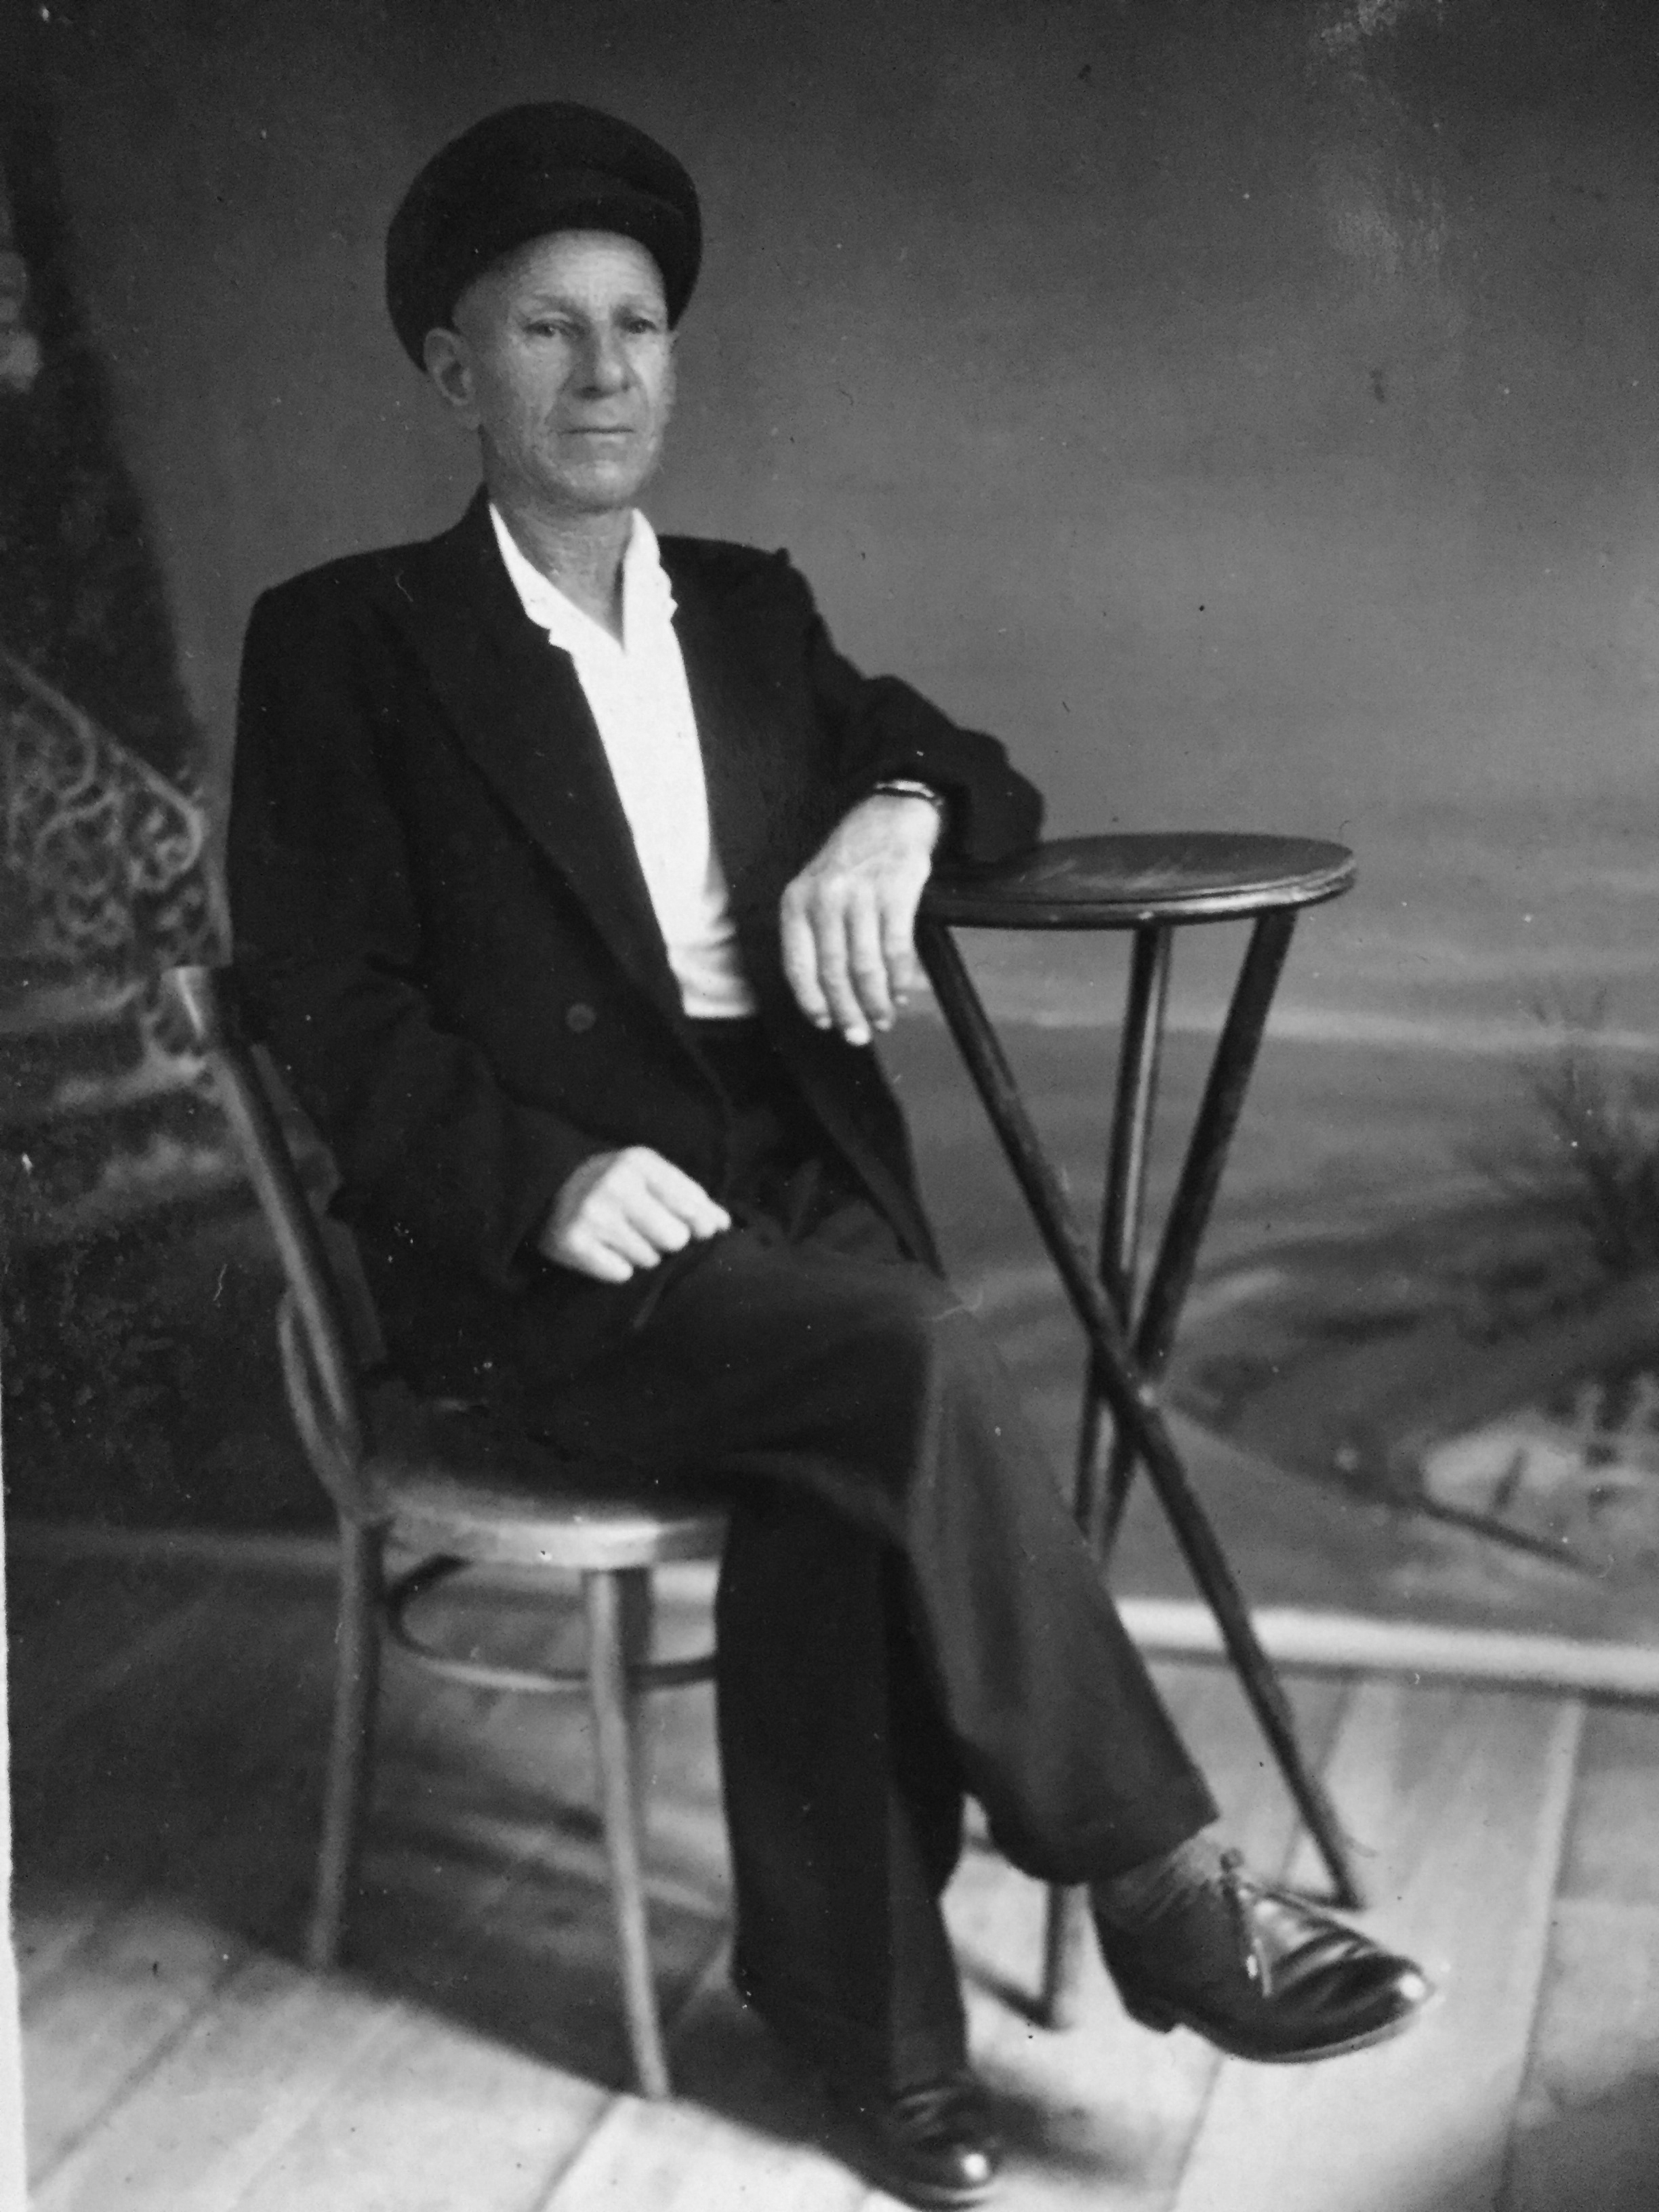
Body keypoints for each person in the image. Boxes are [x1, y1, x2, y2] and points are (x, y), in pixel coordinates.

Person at [228, 102, 1431, 2209]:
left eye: (639, 329)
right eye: (545, 332)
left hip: (782, 1194)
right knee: (904, 1365)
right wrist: (537, 1181)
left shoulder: (754, 610)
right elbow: (328, 1002)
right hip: (541, 1251)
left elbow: (971, 765)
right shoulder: (346, 639)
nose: (607, 377)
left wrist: (897, 816)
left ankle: (866, 2045)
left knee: (852, 1415)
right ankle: (1170, 1895)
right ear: (451, 368)